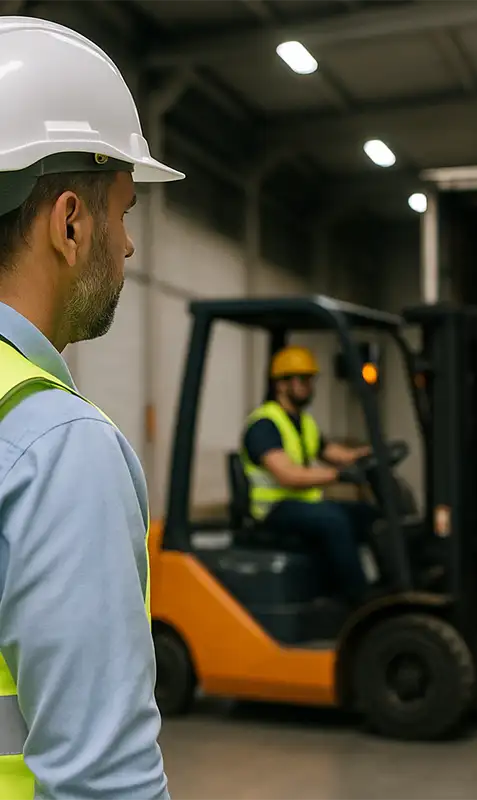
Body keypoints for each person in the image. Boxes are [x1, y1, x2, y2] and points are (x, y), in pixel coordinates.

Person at [0, 16, 184, 800]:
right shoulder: (54, 445)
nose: (130, 246)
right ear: (71, 222)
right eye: (124, 212)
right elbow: (103, 785)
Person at [240, 345, 380, 605]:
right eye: (302, 380)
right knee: (333, 521)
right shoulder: (264, 425)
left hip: (301, 505)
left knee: (366, 514)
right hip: (273, 510)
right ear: (281, 385)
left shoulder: (303, 422)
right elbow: (288, 476)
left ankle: (377, 585)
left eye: (310, 380)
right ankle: (360, 600)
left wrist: (368, 454)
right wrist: (338, 476)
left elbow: (332, 452)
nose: (309, 386)